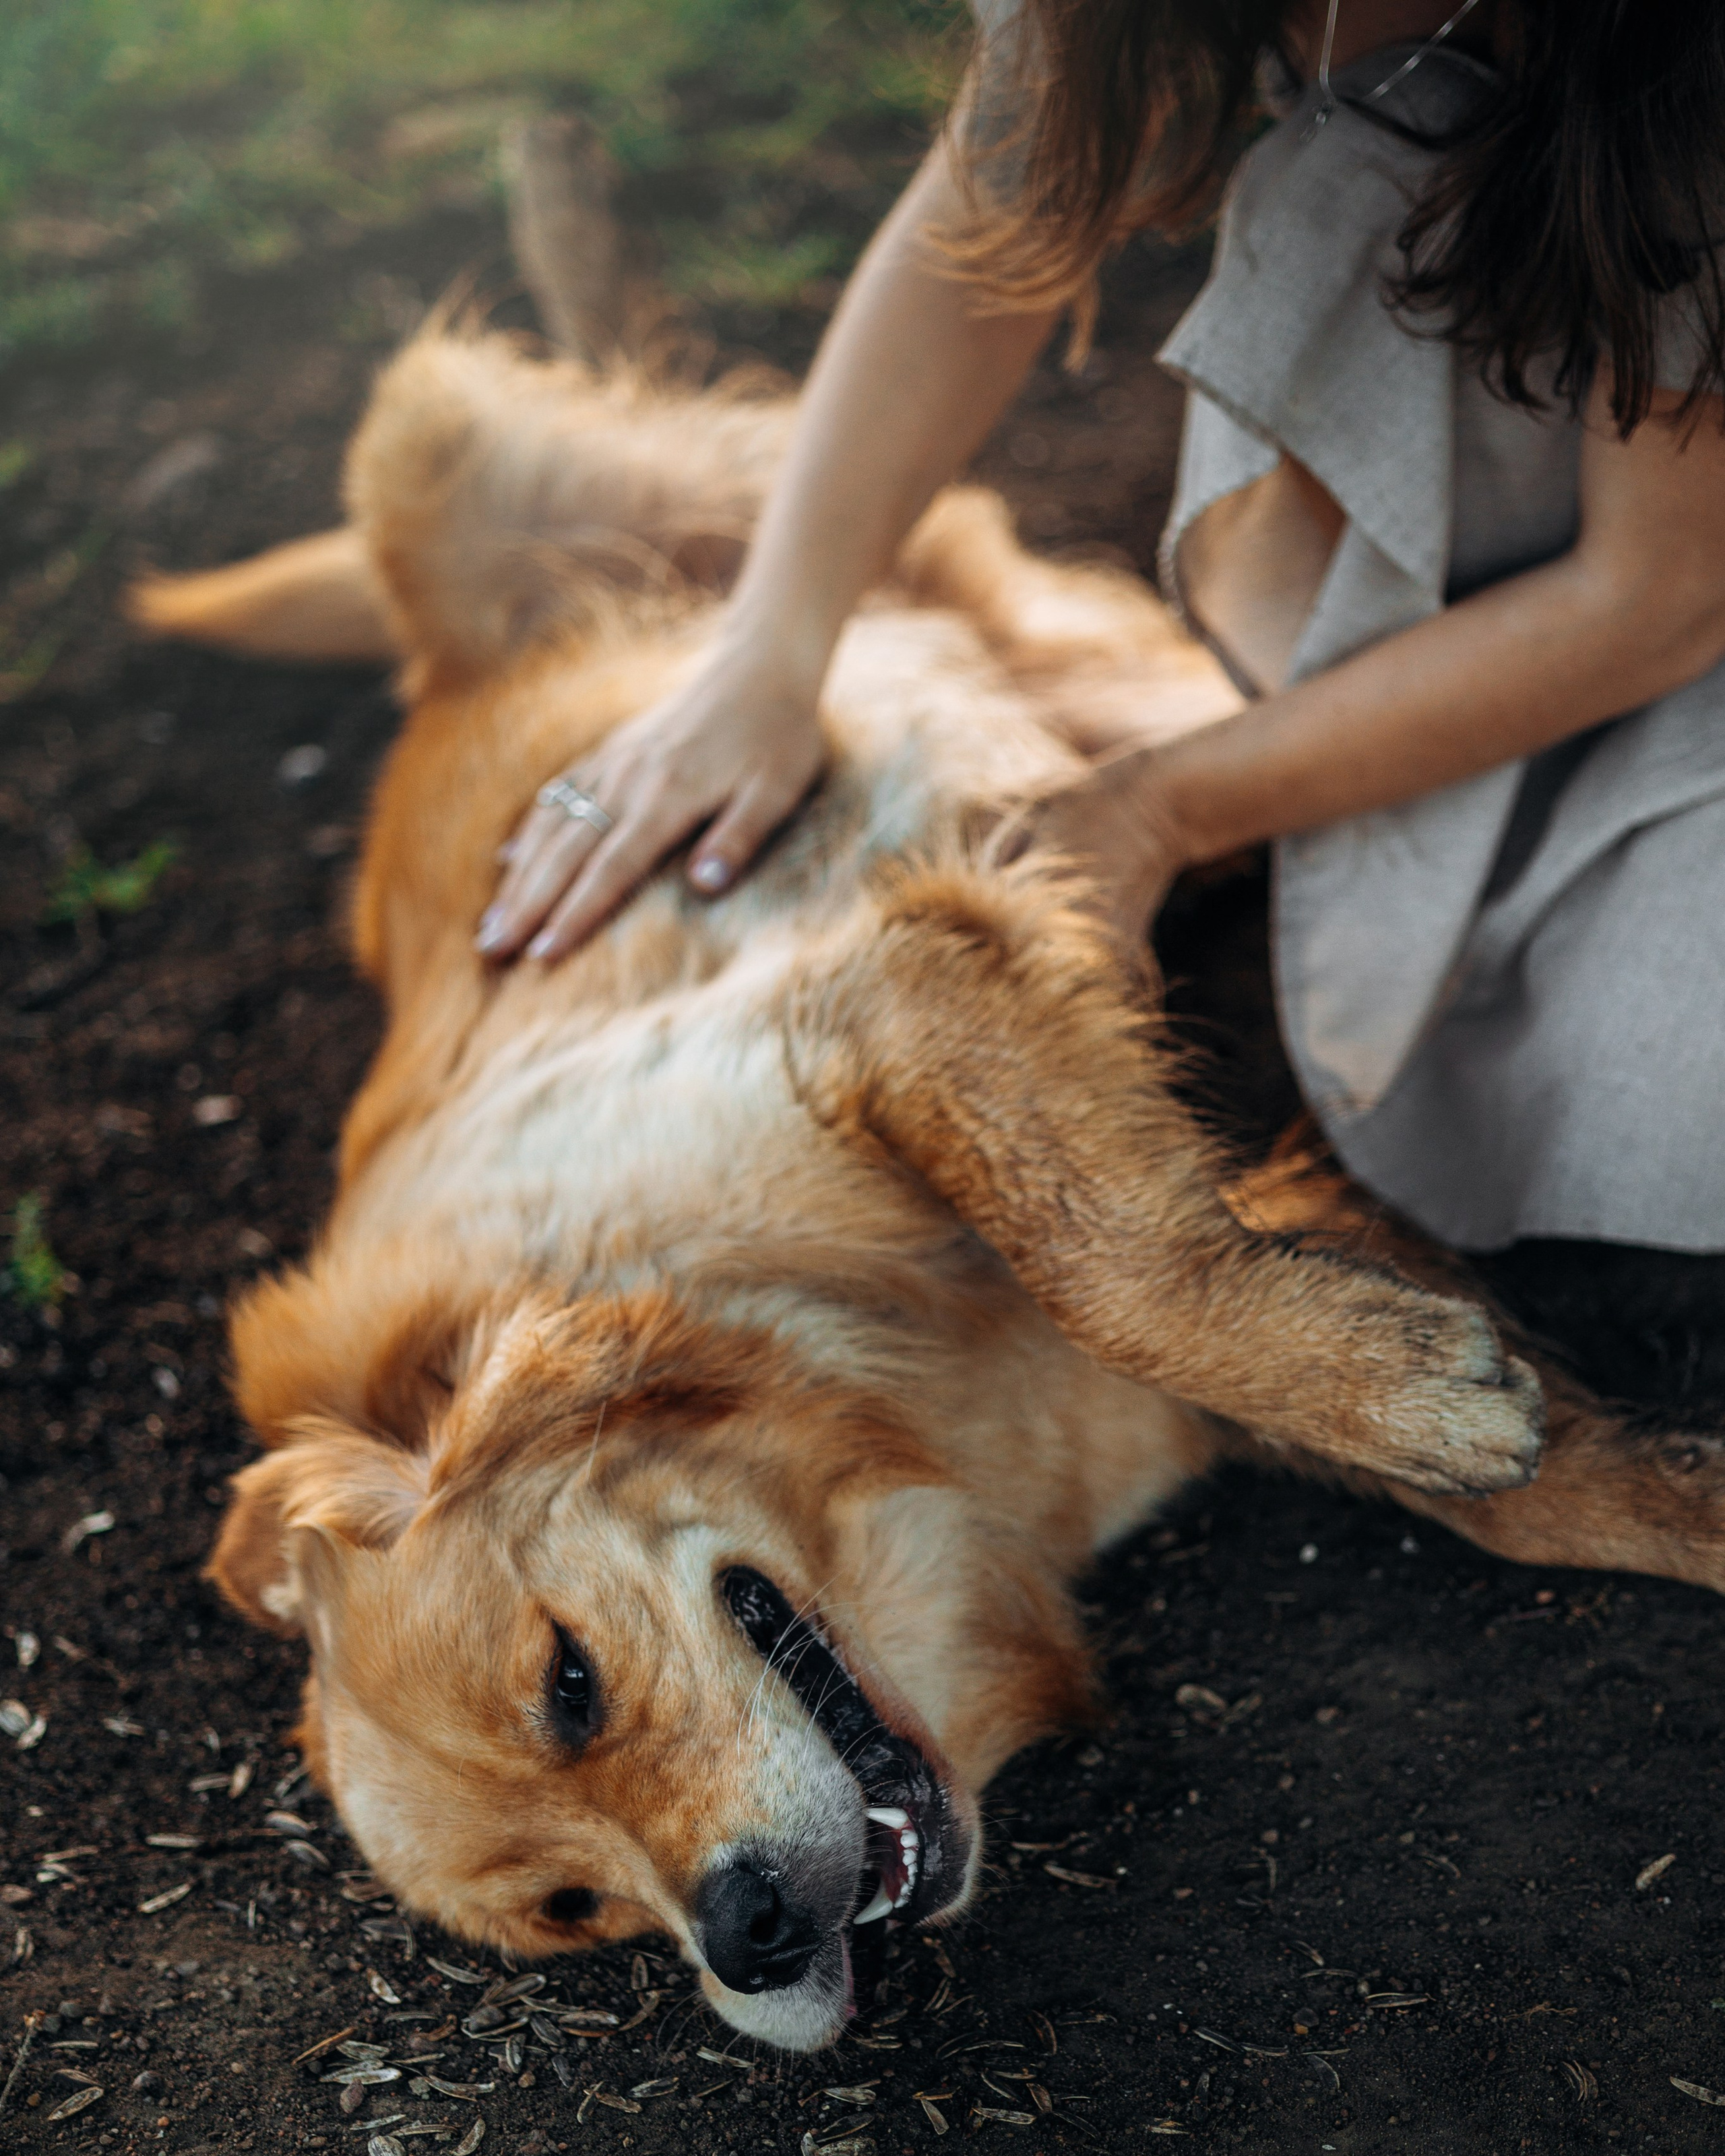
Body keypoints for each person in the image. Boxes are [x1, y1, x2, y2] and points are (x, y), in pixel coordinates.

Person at [478, 0, 1725, 1259]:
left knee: (1676, 1099)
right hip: (1622, 500)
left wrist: (1155, 807)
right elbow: (984, 217)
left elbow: (1656, 599)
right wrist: (766, 649)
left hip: (1680, 574)